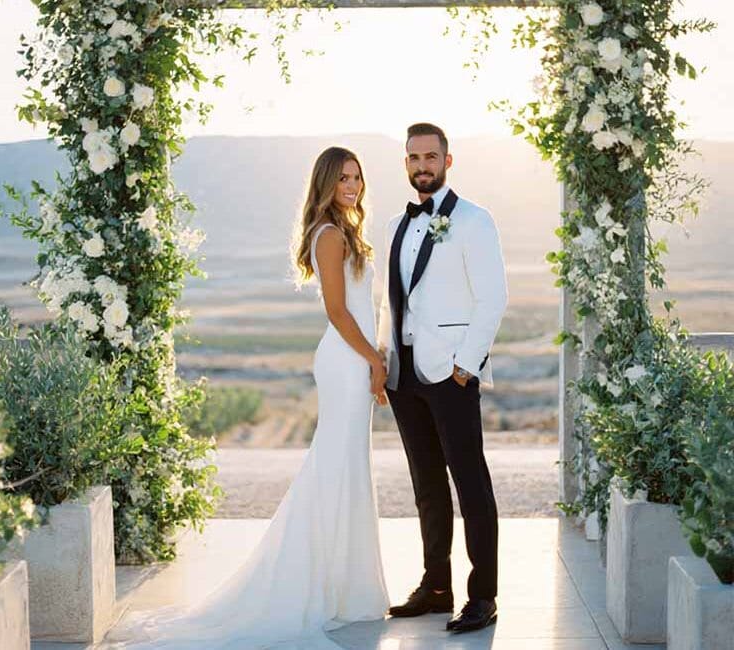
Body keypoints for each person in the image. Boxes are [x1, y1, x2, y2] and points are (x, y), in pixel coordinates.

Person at [107, 146, 388, 649]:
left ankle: (348, 589)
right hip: (346, 361)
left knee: (349, 468)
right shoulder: (328, 236)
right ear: (325, 183)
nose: (353, 185)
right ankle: (311, 585)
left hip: (355, 359)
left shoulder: (347, 232)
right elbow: (338, 313)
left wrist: (374, 354)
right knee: (333, 468)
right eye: (343, 178)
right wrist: (374, 360)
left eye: (357, 177)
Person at [377, 122, 509, 634]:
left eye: (431, 157)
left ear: (447, 162)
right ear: (406, 164)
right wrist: (386, 361)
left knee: (470, 483)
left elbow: (492, 298)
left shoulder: (475, 221)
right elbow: (390, 299)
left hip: (451, 372)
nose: (422, 166)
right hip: (405, 372)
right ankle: (436, 587)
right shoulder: (395, 225)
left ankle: (483, 596)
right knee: (427, 486)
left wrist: (465, 365)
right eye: (413, 158)